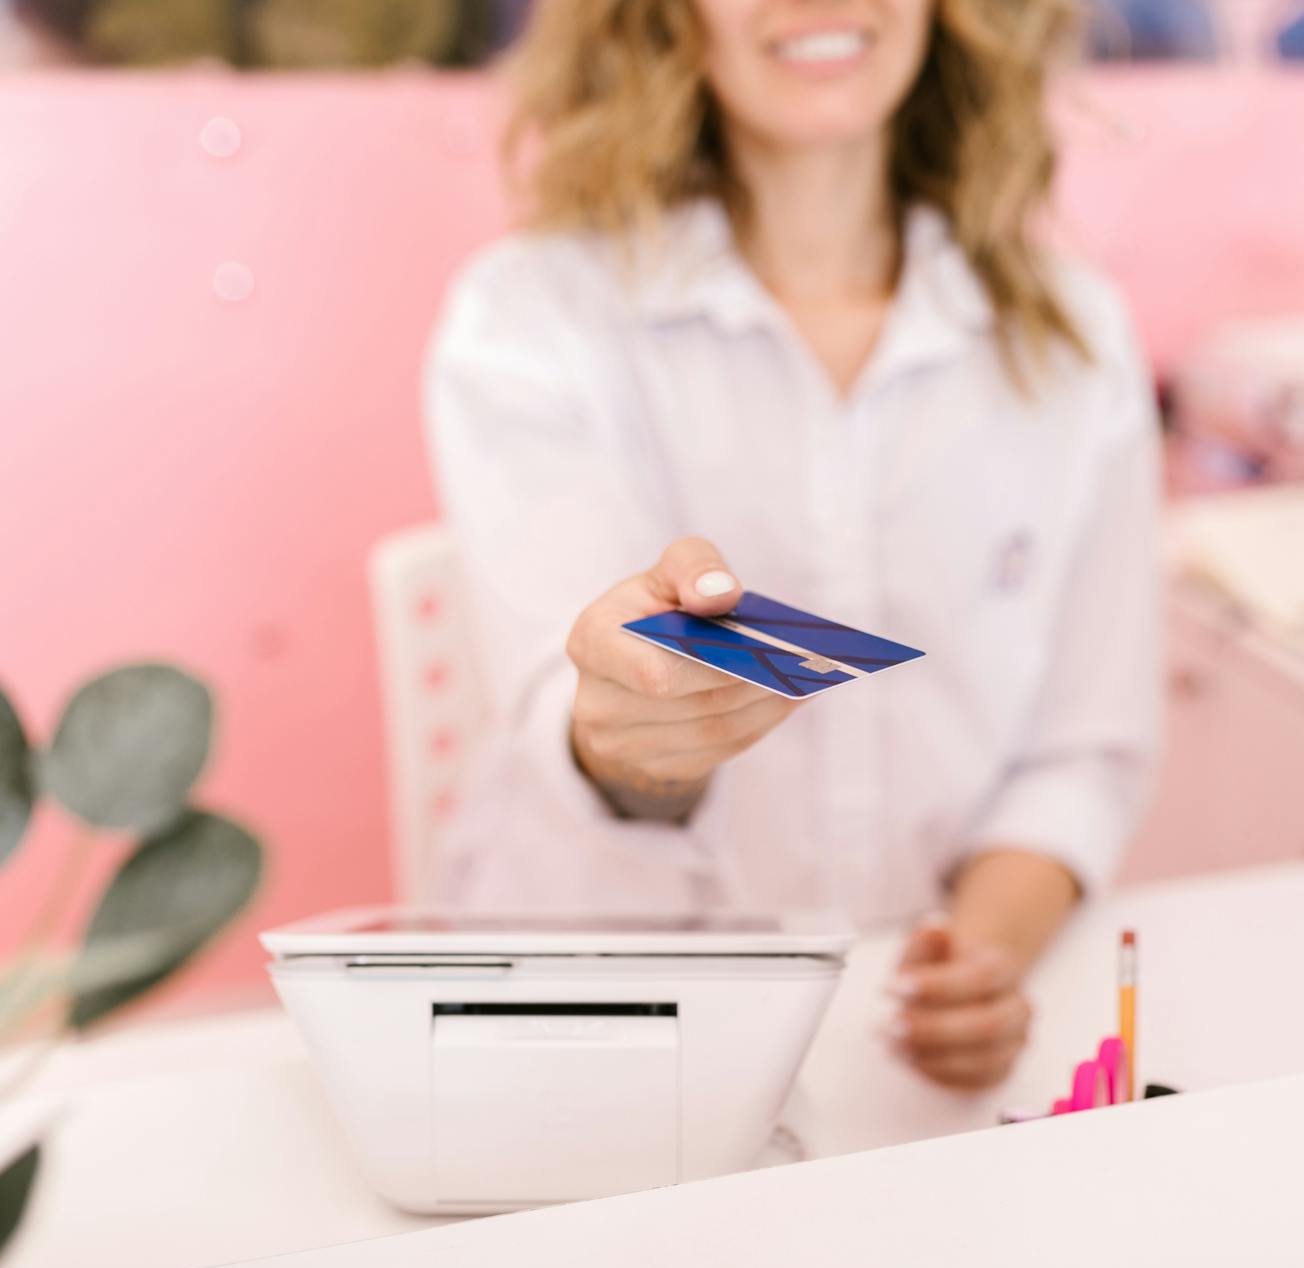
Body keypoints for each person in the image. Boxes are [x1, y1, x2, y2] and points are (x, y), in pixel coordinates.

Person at [426, 0, 1162, 1090]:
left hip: (897, 1059)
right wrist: (634, 737)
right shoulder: (530, 320)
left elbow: (1081, 752)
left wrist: (982, 954)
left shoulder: (1074, 340)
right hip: (591, 1029)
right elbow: (565, 712)